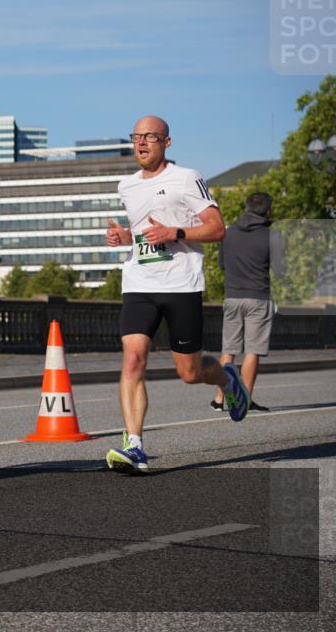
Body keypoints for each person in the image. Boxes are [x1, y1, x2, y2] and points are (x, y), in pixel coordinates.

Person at [104, 115, 250, 473]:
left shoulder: (186, 178)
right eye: (136, 137)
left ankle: (227, 378)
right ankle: (134, 445)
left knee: (189, 372)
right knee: (133, 359)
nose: (141, 143)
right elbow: (144, 234)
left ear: (166, 143)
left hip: (181, 284)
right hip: (139, 282)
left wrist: (176, 232)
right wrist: (126, 238)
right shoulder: (127, 185)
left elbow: (217, 229)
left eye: (150, 137)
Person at [210, 192, 285, 413]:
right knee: (252, 350)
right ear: (268, 211)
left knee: (228, 349)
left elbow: (222, 264)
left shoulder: (229, 232)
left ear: (246, 207)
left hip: (232, 296)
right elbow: (281, 271)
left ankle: (218, 399)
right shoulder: (273, 235)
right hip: (258, 298)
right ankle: (245, 399)